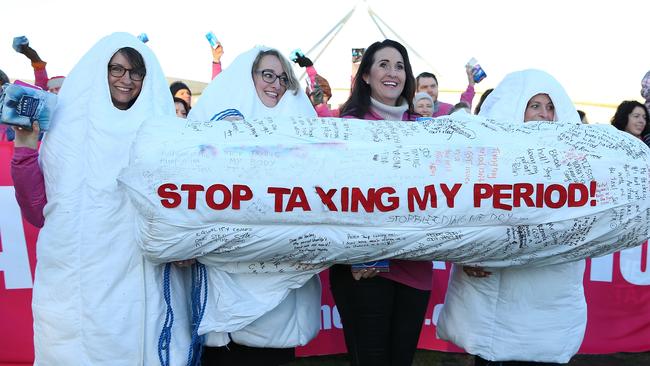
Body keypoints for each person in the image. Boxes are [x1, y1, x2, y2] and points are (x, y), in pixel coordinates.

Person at [11, 32, 192, 365]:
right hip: (78, 286)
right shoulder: (66, 131)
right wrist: (24, 148)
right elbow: (37, 210)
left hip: (142, 287)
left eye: (137, 72)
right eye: (117, 69)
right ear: (101, 70)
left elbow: (183, 210)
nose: (127, 79)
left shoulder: (166, 136)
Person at [437, 69, 586, 366]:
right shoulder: (482, 164)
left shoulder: (577, 165)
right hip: (493, 288)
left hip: (549, 289)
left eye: (550, 107)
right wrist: (468, 253)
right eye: (535, 106)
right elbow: (460, 215)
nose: (544, 115)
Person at [188, 46, 320, 366]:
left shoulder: (302, 128)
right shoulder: (220, 126)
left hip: (280, 287)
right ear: (250, 77)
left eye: (282, 77)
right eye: (267, 75)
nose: (275, 84)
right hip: (228, 278)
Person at [330, 39, 431, 366]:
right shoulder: (348, 127)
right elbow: (336, 198)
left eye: (399, 66)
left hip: (415, 270)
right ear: (366, 77)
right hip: (365, 271)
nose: (393, 72)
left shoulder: (424, 131)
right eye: (383, 65)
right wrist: (358, 256)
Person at [292, 52, 339, 117]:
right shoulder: (302, 112)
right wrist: (309, 67)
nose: (320, 97)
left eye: (324, 95)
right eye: (315, 93)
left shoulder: (332, 114)